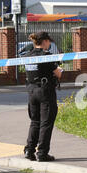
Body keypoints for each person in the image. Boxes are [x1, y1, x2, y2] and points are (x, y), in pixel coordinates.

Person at [23, 32, 63, 162]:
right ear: (44, 41)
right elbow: (58, 74)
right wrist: (60, 70)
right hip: (45, 91)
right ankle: (42, 153)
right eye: (49, 41)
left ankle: (29, 150)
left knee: (35, 121)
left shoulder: (28, 56)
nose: (50, 44)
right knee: (46, 122)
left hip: (31, 91)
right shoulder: (46, 56)